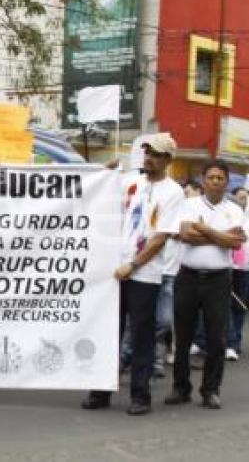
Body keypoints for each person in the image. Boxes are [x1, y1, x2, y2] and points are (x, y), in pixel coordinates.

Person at [82, 133, 184, 415]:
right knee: (108, 331)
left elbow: (159, 237)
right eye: (147, 152)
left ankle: (140, 395)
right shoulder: (132, 181)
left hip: (144, 275)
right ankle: (100, 392)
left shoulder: (173, 192)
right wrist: (105, 172)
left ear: (168, 160)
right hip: (115, 270)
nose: (149, 158)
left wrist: (134, 265)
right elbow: (99, 192)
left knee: (141, 335)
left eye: (156, 154)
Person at [166, 160, 247, 410]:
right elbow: (186, 236)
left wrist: (202, 227)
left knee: (217, 338)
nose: (215, 181)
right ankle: (181, 387)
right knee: (184, 336)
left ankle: (211, 390)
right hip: (188, 277)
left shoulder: (234, 210)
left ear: (225, 182)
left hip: (219, 280)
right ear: (203, 180)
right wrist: (219, 236)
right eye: (210, 177)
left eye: (220, 178)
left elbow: (236, 243)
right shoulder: (188, 204)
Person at [227, 187, 249, 361]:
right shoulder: (229, 215)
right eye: (241, 197)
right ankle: (230, 341)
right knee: (226, 305)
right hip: (227, 266)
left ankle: (235, 343)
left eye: (245, 198)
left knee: (240, 305)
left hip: (244, 268)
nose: (244, 200)